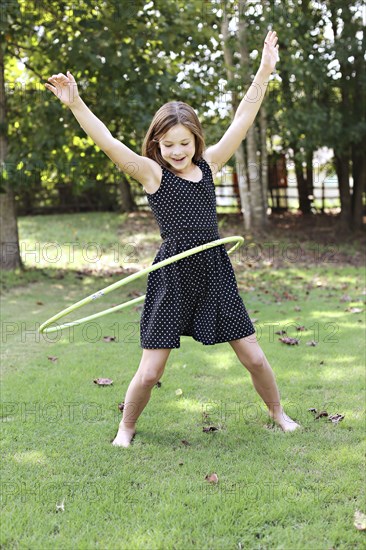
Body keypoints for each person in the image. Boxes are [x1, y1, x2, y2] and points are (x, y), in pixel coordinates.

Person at [45, 30, 300, 447]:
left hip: (215, 269)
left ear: (196, 139)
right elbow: (108, 142)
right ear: (156, 144)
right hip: (172, 275)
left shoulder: (211, 165)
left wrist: (265, 70)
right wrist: (76, 103)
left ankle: (279, 414)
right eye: (168, 145)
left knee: (253, 355)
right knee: (150, 371)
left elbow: (242, 119)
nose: (177, 151)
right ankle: (126, 427)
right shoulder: (152, 174)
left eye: (184, 143)